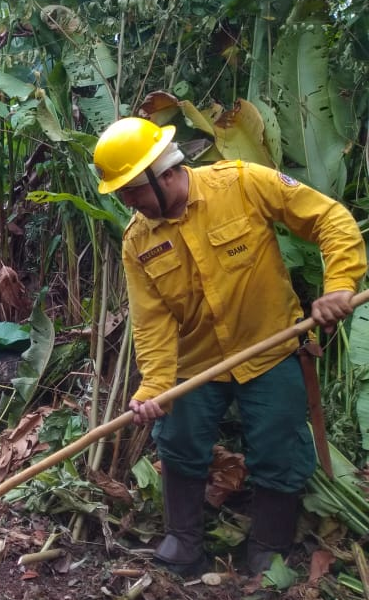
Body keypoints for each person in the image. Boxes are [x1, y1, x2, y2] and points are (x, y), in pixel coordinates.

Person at [93, 117, 366, 576]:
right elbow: (152, 320)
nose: (127, 202)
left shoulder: (242, 183)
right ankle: (183, 540)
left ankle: (268, 546)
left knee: (278, 446)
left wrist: (339, 283)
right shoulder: (138, 241)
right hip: (196, 363)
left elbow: (327, 217)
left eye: (130, 191)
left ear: (162, 176)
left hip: (271, 349)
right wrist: (155, 387)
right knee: (177, 441)